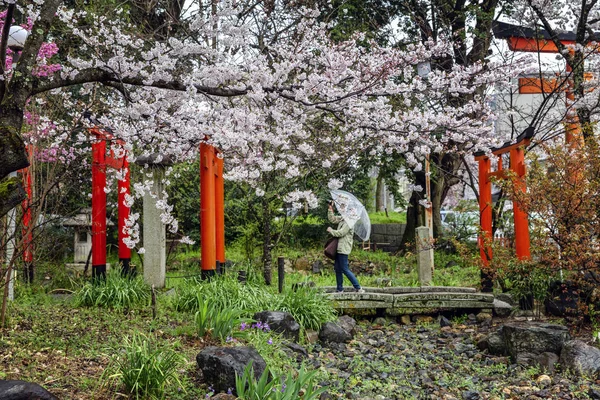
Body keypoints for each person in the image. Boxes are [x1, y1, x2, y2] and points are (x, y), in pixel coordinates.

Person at [327, 201, 364, 294]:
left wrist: (331, 230)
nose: (342, 210)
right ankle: (339, 289)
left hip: (343, 248)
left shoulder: (350, 221)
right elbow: (333, 219)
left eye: (345, 208)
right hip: (339, 248)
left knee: (344, 268)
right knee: (337, 268)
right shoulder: (344, 219)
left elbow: (341, 232)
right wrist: (330, 209)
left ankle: (358, 288)